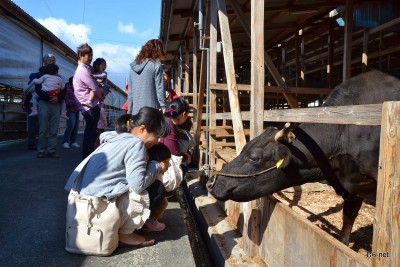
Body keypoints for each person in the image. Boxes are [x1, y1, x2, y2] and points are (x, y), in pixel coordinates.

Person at [64, 107, 170, 247]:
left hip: (83, 204)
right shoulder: (136, 144)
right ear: (142, 129)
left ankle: (122, 228)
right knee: (157, 189)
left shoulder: (116, 137)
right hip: (100, 205)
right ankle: (125, 234)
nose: (157, 142)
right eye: (157, 136)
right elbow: (137, 185)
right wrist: (156, 166)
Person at [73, 43, 104, 159]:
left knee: (90, 133)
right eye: (87, 55)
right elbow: (94, 87)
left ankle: (87, 157)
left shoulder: (85, 69)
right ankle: (86, 158)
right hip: (89, 106)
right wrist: (100, 95)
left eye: (91, 55)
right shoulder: (83, 70)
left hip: (88, 105)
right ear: (81, 55)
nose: (90, 58)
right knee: (90, 134)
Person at [22, 53, 55, 150]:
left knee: (43, 125)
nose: (51, 62)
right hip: (34, 103)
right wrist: (25, 103)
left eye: (53, 61)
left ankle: (40, 143)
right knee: (33, 123)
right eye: (49, 61)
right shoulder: (38, 74)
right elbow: (29, 87)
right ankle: (32, 144)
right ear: (44, 62)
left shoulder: (55, 75)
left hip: (46, 103)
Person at [35, 63, 66, 159]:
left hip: (56, 104)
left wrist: (58, 97)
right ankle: (41, 150)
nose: (58, 73)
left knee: (54, 129)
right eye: (57, 71)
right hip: (44, 103)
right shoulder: (42, 76)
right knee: (43, 128)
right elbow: (38, 90)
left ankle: (51, 150)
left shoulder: (59, 79)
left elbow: (64, 91)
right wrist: (50, 98)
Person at [127, 39, 167, 115]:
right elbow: (159, 88)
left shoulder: (133, 67)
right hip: (152, 111)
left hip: (136, 112)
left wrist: (130, 110)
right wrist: (163, 106)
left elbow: (130, 91)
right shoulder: (156, 65)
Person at [160, 97, 192, 172]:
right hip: (162, 160)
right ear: (184, 114)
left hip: (161, 156)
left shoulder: (167, 119)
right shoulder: (169, 124)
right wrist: (186, 157)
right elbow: (173, 151)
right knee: (184, 164)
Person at [145, 143, 171, 231]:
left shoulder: (150, 168)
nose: (169, 165)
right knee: (161, 194)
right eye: (166, 161)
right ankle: (148, 221)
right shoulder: (153, 172)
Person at [62, 76, 81, 149]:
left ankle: (73, 141)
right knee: (71, 125)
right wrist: (76, 102)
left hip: (77, 109)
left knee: (76, 126)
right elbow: (67, 101)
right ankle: (65, 141)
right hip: (70, 110)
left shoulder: (77, 89)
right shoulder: (67, 89)